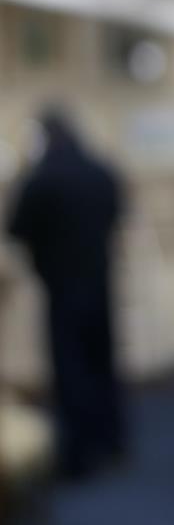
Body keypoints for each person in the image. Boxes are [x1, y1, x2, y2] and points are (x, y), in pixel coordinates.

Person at [5, 110, 126, 479]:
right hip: (99, 281)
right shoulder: (99, 169)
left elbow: (15, 228)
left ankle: (78, 456)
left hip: (62, 286)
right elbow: (116, 210)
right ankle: (112, 442)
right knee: (102, 363)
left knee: (71, 371)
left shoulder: (41, 178)